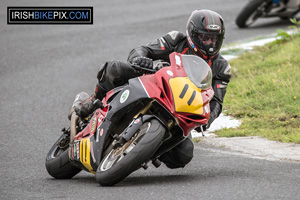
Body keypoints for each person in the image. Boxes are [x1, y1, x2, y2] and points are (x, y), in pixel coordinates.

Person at [72, 9, 231, 169]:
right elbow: (143, 50)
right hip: (155, 85)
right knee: (115, 69)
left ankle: (147, 148)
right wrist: (141, 59)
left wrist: (208, 119)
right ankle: (92, 100)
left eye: (214, 39)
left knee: (184, 154)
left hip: (180, 110)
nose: (210, 44)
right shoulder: (176, 39)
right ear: (193, 34)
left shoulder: (222, 68)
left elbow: (216, 101)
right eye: (205, 38)